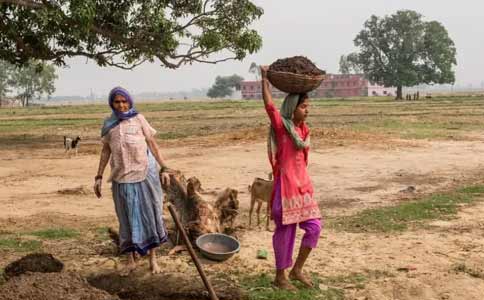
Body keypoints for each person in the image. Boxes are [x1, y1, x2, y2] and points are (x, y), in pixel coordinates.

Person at [94, 86, 171, 275]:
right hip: (121, 179)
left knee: (150, 215)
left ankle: (153, 259)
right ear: (112, 104)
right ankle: (131, 261)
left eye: (124, 101)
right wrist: (98, 176)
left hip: (145, 174)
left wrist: (165, 167)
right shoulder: (109, 123)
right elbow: (106, 151)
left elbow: (152, 143)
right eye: (117, 102)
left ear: (129, 101)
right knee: (126, 219)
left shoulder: (139, 119)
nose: (121, 105)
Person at [260, 66, 322, 290]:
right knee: (285, 234)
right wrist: (264, 79)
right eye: (304, 106)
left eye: (308, 106)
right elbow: (269, 106)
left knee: (314, 227)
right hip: (285, 190)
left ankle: (296, 270)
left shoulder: (304, 131)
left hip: (303, 189)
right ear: (292, 108)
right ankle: (280, 277)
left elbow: (302, 163)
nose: (307, 111)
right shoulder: (281, 127)